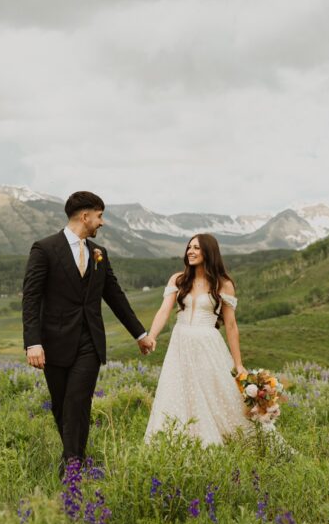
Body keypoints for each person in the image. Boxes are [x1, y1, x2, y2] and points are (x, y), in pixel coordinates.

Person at [22, 191, 155, 476]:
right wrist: (33, 342)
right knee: (61, 405)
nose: (102, 222)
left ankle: (72, 467)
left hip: (89, 342)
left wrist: (140, 333)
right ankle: (74, 457)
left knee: (77, 402)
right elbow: (31, 299)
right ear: (85, 216)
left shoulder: (99, 254)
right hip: (54, 342)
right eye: (99, 216)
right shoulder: (44, 249)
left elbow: (115, 296)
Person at [143, 234, 251, 446]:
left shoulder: (223, 284)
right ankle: (179, 441)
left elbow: (230, 325)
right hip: (180, 343)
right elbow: (164, 311)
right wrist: (152, 336)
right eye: (189, 247)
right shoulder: (178, 279)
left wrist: (238, 364)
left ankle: (221, 440)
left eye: (196, 248)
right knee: (177, 390)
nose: (190, 251)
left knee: (212, 392)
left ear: (208, 252)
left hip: (207, 344)